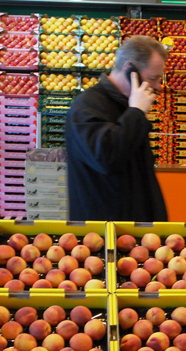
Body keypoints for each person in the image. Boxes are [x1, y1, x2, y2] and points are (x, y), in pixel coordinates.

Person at [65, 36, 169, 222]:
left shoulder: (126, 105)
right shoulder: (86, 106)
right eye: (153, 78)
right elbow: (105, 157)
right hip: (102, 231)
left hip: (132, 227)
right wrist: (136, 112)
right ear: (130, 70)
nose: (157, 87)